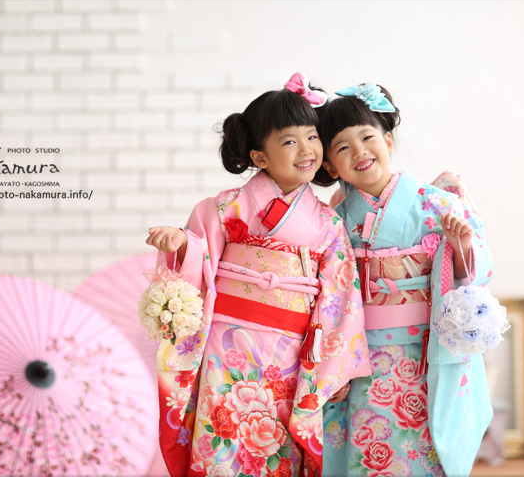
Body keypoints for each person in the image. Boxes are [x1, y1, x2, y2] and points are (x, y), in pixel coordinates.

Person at [146, 73, 371, 477]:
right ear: (260, 157)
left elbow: (340, 298)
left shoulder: (328, 223)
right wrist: (181, 245)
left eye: (312, 137)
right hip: (225, 349)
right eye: (289, 141)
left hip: (290, 355)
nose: (306, 149)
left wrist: (330, 368)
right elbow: (200, 258)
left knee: (277, 453)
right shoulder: (223, 207)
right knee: (222, 444)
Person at [316, 83, 494, 477]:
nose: (359, 151)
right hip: (362, 353)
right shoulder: (334, 219)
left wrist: (461, 245)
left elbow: (476, 274)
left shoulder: (439, 204)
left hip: (424, 354)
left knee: (423, 445)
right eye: (343, 147)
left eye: (367, 138)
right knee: (367, 447)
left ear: (388, 141)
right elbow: (327, 292)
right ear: (330, 167)